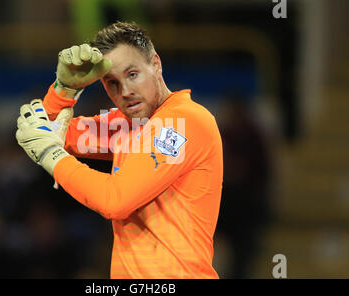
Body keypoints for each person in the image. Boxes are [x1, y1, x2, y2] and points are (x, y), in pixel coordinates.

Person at [16, 21, 223, 278]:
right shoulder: (127, 125)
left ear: (156, 64)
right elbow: (43, 130)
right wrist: (64, 90)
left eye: (132, 74)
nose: (125, 91)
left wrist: (51, 156)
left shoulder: (184, 121)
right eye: (112, 82)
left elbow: (116, 200)